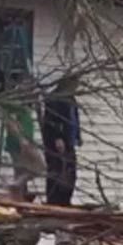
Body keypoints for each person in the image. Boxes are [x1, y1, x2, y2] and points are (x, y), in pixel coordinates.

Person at [0, 73, 45, 200]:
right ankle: (16, 185)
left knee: (20, 171)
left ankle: (17, 197)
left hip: (25, 140)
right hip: (20, 142)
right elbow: (11, 123)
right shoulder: (15, 103)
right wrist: (22, 140)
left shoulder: (25, 103)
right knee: (39, 167)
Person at [40, 76, 81, 206]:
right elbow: (51, 121)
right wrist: (57, 137)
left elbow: (74, 119)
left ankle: (66, 199)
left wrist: (78, 136)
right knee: (57, 170)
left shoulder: (71, 99)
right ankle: (54, 199)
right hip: (57, 142)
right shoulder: (55, 99)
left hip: (69, 140)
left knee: (70, 171)